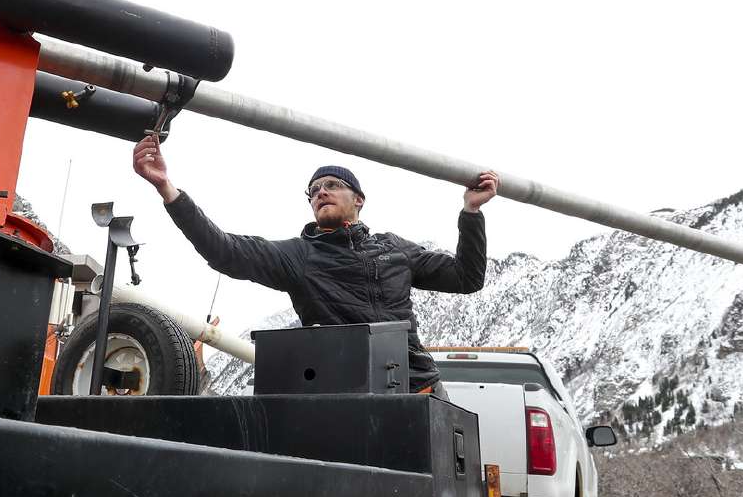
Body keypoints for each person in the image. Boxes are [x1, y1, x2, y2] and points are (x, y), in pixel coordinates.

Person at [132, 135, 497, 397]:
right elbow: (225, 251)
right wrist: (167, 189)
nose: (321, 192)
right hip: (349, 395)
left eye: (332, 185)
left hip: (422, 389)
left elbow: (467, 278)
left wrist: (471, 211)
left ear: (359, 199)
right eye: (314, 190)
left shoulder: (394, 248)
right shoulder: (300, 256)